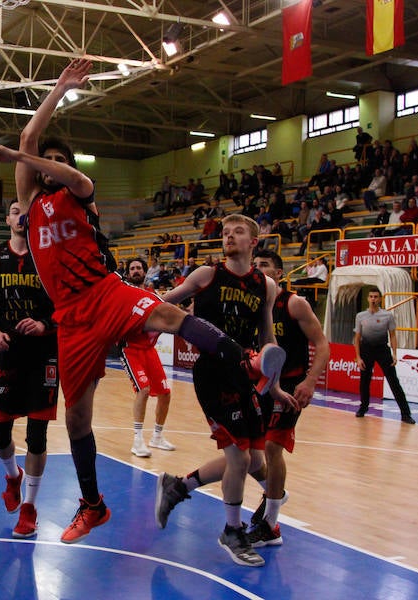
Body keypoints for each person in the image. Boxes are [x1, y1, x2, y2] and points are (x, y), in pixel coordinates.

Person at [0, 58, 283, 546]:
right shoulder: (32, 202)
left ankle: (247, 361)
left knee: (167, 313)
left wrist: (31, 158)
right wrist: (58, 88)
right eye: (46, 160)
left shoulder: (82, 192)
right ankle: (93, 505)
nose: (50, 163)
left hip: (105, 290)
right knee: (78, 417)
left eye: (60, 159)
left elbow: (40, 159)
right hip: (71, 317)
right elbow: (28, 143)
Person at [154, 214, 299, 568]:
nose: (229, 237)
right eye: (225, 233)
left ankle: (177, 487)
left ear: (254, 241)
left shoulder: (265, 285)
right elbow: (162, 303)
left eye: (237, 232)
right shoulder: (207, 275)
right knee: (239, 459)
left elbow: (268, 338)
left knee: (253, 459)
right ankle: (232, 532)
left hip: (245, 374)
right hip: (212, 373)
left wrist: (275, 385)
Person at [0, 200, 58, 539]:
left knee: (37, 436)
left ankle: (29, 507)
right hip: (8, 352)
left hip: (43, 354)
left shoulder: (50, 256)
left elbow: (66, 306)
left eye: (27, 211)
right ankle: (13, 475)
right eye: (14, 210)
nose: (21, 215)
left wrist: (43, 325)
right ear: (7, 218)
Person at [246, 250, 330, 547]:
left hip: (292, 384)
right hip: (262, 384)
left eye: (265, 266)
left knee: (272, 446)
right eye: (255, 266)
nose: (258, 270)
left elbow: (322, 344)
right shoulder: (253, 304)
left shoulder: (294, 303)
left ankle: (270, 524)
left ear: (280, 273)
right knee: (250, 454)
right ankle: (275, 493)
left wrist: (310, 381)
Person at [120, 258, 175, 457]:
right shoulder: (124, 294)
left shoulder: (154, 296)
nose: (136, 271)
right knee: (143, 390)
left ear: (145, 272)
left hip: (149, 349)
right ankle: (137, 440)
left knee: (165, 393)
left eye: (139, 268)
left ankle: (157, 437)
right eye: (132, 268)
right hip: (130, 349)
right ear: (127, 273)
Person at [353, 288, 415, 424]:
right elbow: (357, 338)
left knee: (394, 381)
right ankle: (363, 408)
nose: (373, 299)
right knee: (365, 381)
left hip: (382, 349)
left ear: (380, 299)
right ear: (368, 299)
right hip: (366, 349)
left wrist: (394, 353)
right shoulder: (360, 316)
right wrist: (358, 357)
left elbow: (392, 335)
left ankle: (405, 414)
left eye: (376, 296)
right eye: (371, 296)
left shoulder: (387, 316)